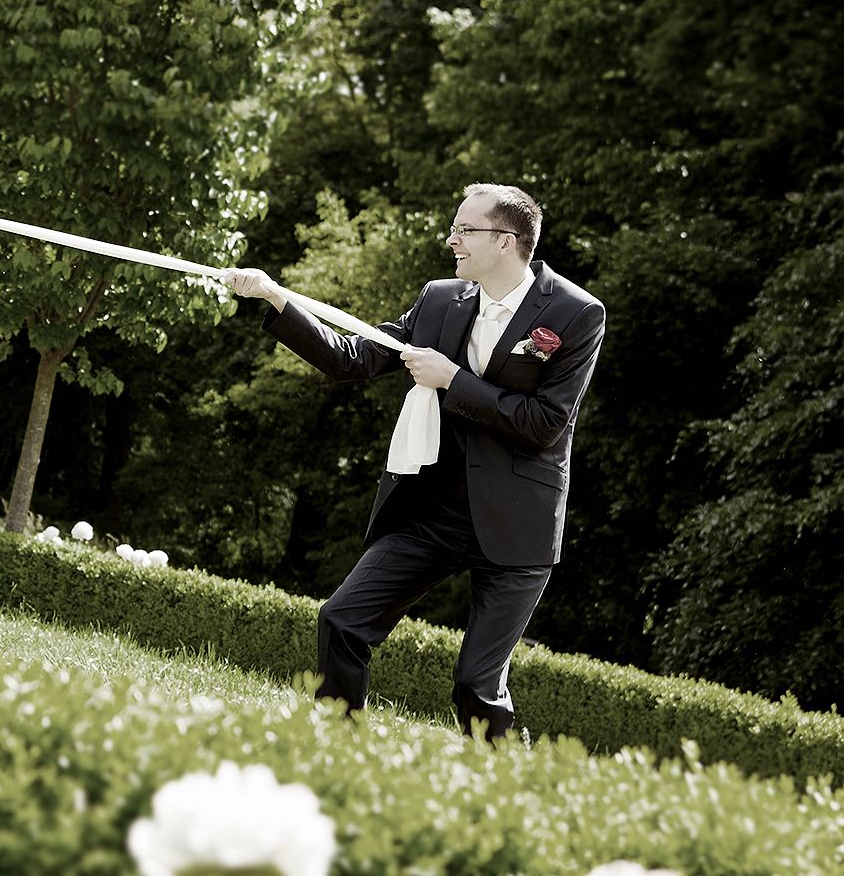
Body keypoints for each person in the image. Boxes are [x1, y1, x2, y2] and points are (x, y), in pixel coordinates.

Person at [221, 183, 605, 740]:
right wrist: (276, 297)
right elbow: (351, 358)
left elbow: (544, 424)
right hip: (432, 511)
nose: (452, 240)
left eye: (464, 230)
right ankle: (334, 746)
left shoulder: (576, 312)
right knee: (342, 619)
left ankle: (503, 780)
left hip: (517, 521)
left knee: (476, 683)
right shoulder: (439, 300)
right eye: (454, 228)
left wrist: (453, 380)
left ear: (506, 240)